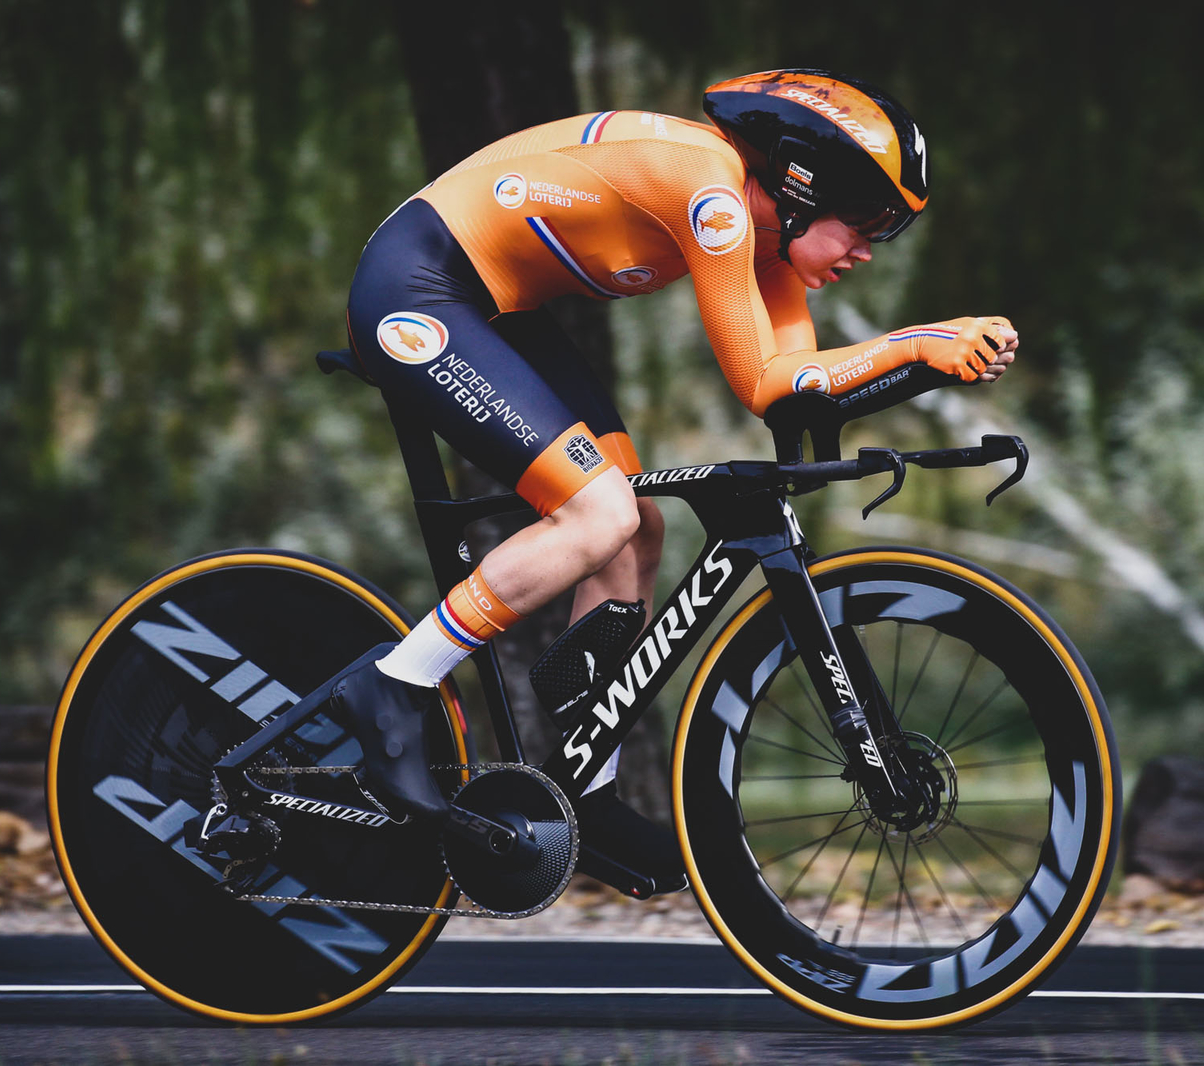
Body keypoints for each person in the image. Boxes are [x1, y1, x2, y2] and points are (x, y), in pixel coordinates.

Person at [335, 68, 1018, 893]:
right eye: (866, 221)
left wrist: (924, 367)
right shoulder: (714, 196)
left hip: (495, 306)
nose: (869, 249)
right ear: (803, 185)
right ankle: (394, 683)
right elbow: (762, 380)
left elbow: (798, 386)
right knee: (599, 515)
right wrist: (918, 345)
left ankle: (584, 792)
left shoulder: (772, 243)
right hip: (419, 287)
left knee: (636, 532)